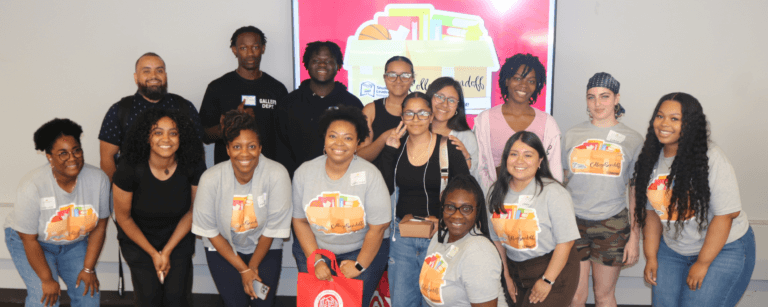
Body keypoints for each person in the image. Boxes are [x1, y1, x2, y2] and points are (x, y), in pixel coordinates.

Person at [634, 93, 755, 307]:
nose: (664, 124)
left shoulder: (711, 157)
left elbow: (725, 216)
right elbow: (651, 213)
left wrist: (703, 262)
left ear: (689, 124)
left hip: (724, 247)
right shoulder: (650, 157)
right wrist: (651, 256)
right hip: (674, 248)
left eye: (674, 119)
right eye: (660, 116)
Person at [292, 106, 391, 306]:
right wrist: (317, 260)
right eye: (333, 136)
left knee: (350, 303)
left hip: (362, 248)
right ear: (324, 139)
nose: (339, 143)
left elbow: (378, 227)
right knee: (318, 302)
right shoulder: (304, 172)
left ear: (357, 143)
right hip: (316, 247)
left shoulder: (370, 175)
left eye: (347, 138)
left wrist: (359, 265)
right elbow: (300, 221)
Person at [5, 118, 110, 307]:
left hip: (73, 243)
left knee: (89, 295)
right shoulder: (32, 186)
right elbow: (28, 239)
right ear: (49, 157)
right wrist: (46, 280)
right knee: (44, 299)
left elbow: (100, 225)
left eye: (76, 150)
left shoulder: (98, 180)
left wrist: (88, 269)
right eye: (63, 153)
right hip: (32, 241)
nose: (72, 158)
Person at [192, 110, 292, 307]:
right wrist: (243, 270)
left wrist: (252, 266)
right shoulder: (211, 179)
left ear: (260, 148)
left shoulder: (277, 174)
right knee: (235, 303)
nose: (245, 153)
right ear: (228, 149)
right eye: (237, 146)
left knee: (262, 302)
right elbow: (211, 231)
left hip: (265, 246)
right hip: (222, 248)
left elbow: (272, 228)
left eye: (252, 146)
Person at [379, 92, 470, 307]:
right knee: (402, 302)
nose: (416, 118)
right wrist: (389, 151)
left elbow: (467, 194)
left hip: (441, 236)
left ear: (431, 117)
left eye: (422, 113)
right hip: (403, 237)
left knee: (437, 301)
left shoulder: (449, 147)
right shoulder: (396, 147)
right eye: (409, 113)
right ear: (402, 117)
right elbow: (385, 189)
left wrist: (446, 222)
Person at [563, 73, 643, 307]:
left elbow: (635, 192)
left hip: (612, 225)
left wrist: (634, 238)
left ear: (617, 98)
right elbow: (559, 182)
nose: (598, 104)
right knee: (575, 296)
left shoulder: (633, 140)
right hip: (573, 224)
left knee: (603, 295)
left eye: (604, 96)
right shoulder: (571, 135)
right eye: (591, 97)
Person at [112, 109, 206, 307]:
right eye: (158, 132)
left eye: (173, 133)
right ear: (147, 137)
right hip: (139, 240)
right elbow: (123, 218)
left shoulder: (193, 165)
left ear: (181, 137)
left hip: (177, 238)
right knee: (149, 298)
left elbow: (192, 212)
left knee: (177, 298)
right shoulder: (128, 168)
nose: (166, 139)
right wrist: (155, 254)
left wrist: (168, 250)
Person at [488, 131, 580, 307]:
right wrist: (505, 275)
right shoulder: (495, 192)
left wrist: (547, 280)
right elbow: (496, 241)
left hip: (554, 267)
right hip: (516, 270)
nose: (520, 161)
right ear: (506, 159)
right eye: (514, 154)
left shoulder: (554, 192)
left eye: (528, 155)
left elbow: (566, 242)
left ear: (539, 162)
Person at [99, 52, 203, 182]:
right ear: (136, 78)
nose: (153, 76)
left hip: (180, 191)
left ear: (165, 76)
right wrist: (118, 192)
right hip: (133, 193)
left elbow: (197, 153)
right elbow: (107, 157)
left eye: (159, 70)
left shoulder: (185, 107)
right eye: (146, 71)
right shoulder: (119, 110)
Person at [199, 26, 289, 164]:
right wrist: (224, 128)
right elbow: (203, 134)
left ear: (263, 48)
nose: (250, 53)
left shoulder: (277, 89)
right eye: (243, 48)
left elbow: (285, 136)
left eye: (255, 47)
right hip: (229, 172)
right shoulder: (218, 87)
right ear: (235, 50)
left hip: (268, 172)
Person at [474, 53, 562, 192]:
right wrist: (492, 197)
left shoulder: (548, 124)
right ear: (507, 80)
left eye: (531, 81)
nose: (523, 85)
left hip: (535, 202)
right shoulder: (484, 120)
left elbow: (554, 172)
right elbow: (479, 167)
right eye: (517, 78)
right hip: (495, 200)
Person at [275, 41, 364, 178]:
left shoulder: (352, 104)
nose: (322, 64)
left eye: (328, 61)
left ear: (338, 65)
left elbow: (360, 147)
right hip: (297, 181)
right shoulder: (289, 103)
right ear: (306, 64)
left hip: (342, 181)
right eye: (316, 60)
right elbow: (280, 148)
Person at [419, 174, 508, 307]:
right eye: (450, 207)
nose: (457, 215)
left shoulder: (479, 253)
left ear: (477, 212)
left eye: (466, 209)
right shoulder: (440, 236)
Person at [357, 56, 413, 164]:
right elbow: (360, 156)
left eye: (405, 75)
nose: (398, 80)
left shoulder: (422, 109)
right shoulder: (371, 110)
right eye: (392, 75)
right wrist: (384, 137)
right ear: (385, 78)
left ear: (412, 79)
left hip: (412, 177)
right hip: (376, 177)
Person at [426, 77, 478, 174]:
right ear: (429, 97)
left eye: (452, 100)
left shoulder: (466, 137)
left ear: (457, 107)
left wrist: (466, 159)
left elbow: (474, 177)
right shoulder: (416, 129)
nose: (445, 104)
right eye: (440, 97)